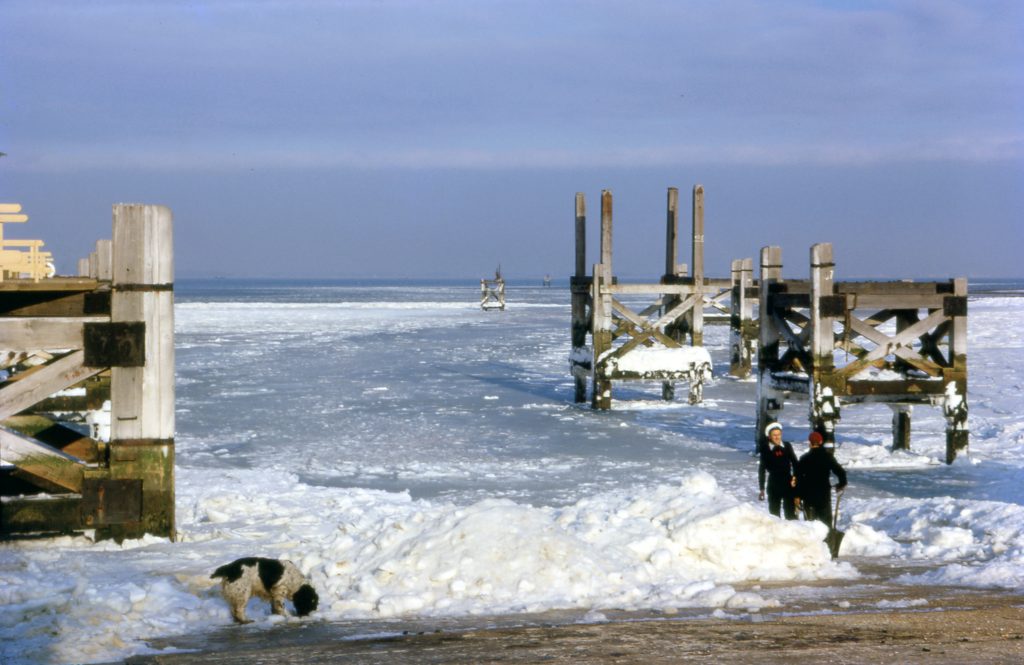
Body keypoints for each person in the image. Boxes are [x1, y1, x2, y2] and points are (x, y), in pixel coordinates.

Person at [796, 431, 848, 526]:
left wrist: (798, 496)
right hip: (824, 496)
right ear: (821, 442)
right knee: (826, 525)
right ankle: (828, 540)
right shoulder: (828, 457)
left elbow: (798, 478)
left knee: (810, 527)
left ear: (810, 443)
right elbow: (841, 472)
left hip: (808, 496)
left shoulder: (804, 459)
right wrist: (841, 484)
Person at [758, 422, 798, 519]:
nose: (777, 437)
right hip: (774, 484)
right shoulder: (765, 449)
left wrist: (795, 478)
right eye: (774, 435)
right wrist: (762, 488)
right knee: (774, 515)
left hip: (788, 483)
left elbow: (796, 463)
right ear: (769, 436)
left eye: (779, 434)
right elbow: (762, 469)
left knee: (791, 514)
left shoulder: (787, 446)